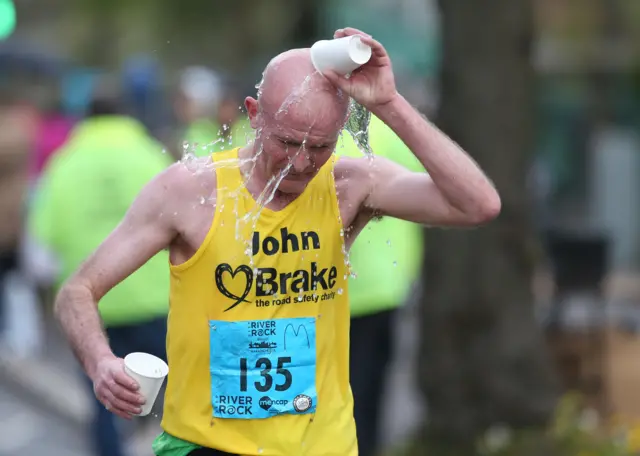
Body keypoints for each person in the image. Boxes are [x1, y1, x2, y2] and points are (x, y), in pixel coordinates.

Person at [52, 28, 501, 456]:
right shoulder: (189, 192)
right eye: (287, 142)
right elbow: (77, 291)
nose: (302, 164)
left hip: (323, 446)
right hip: (207, 446)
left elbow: (477, 204)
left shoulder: (350, 183)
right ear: (252, 114)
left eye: (320, 146)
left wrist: (390, 103)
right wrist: (100, 362)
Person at [28, 91, 173, 456]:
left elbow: (40, 248)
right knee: (178, 398)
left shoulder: (64, 162)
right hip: (155, 300)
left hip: (92, 308)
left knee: (105, 402)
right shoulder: (150, 154)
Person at [336, 114, 424, 456]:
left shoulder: (309, 135)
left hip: (325, 289)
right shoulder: (391, 134)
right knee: (368, 390)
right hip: (383, 287)